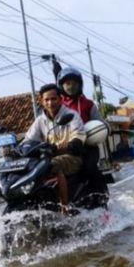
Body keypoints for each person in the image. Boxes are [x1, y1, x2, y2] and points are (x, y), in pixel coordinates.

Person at [24, 83, 86, 214]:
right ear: (41, 101)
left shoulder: (71, 115)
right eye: (46, 99)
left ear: (60, 99)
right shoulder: (40, 120)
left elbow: (78, 138)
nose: (50, 102)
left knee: (52, 165)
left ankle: (65, 207)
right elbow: (28, 140)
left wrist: (69, 144)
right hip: (48, 157)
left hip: (72, 157)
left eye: (53, 99)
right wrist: (17, 149)